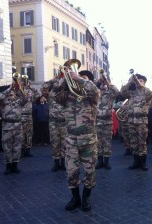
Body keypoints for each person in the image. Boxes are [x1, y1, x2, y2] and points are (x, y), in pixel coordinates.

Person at [54, 66, 99, 212]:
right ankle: (75, 197)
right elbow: (54, 94)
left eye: (84, 79)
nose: (78, 80)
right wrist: (64, 78)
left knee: (89, 171)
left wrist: (79, 79)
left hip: (88, 141)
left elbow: (95, 90)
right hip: (71, 140)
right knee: (71, 171)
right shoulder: (67, 96)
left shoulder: (92, 97)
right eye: (78, 77)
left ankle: (86, 197)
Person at [120, 73, 152, 171]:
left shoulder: (146, 92)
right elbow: (122, 92)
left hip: (142, 121)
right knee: (134, 142)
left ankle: (143, 163)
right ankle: (136, 161)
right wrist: (131, 81)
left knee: (142, 142)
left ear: (144, 82)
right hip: (131, 121)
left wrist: (140, 85)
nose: (139, 82)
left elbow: (151, 93)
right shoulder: (131, 92)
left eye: (141, 80)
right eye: (138, 80)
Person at [0, 80, 28, 175]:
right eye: (10, 94)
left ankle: (15, 165)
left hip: (18, 126)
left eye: (13, 94)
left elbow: (26, 99)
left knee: (17, 147)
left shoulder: (19, 101)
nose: (11, 95)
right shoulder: (3, 102)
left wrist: (19, 89)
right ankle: (8, 166)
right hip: (7, 126)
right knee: (7, 147)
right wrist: (9, 88)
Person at [41, 72, 67, 172]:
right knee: (55, 143)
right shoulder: (51, 94)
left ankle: (63, 163)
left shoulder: (66, 94)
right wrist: (55, 78)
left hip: (64, 122)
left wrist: (65, 80)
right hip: (53, 122)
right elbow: (43, 87)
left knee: (64, 144)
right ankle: (56, 163)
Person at [95, 72, 119, 170]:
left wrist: (108, 82)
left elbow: (117, 92)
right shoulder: (95, 92)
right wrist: (97, 82)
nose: (102, 84)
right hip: (97, 121)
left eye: (104, 83)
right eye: (102, 83)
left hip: (107, 122)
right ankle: (100, 161)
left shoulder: (110, 93)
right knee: (98, 143)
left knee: (107, 142)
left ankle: (107, 162)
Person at [20, 75, 40, 157]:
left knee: (29, 134)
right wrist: (20, 87)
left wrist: (30, 87)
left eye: (26, 80)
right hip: (20, 116)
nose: (25, 82)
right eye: (23, 80)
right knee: (21, 134)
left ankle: (27, 150)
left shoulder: (30, 91)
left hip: (29, 116)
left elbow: (38, 95)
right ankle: (21, 150)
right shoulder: (19, 90)